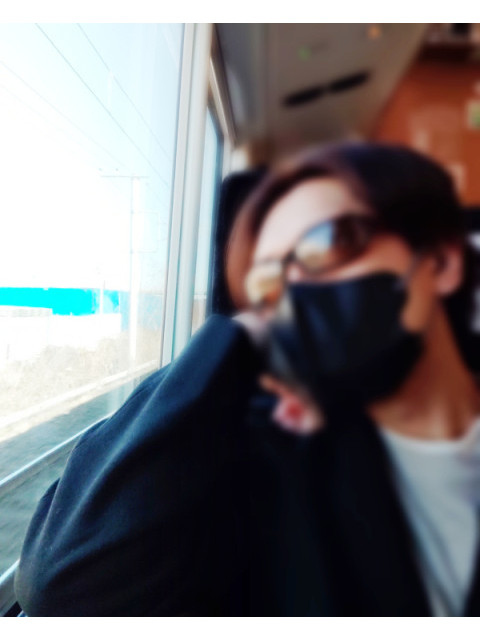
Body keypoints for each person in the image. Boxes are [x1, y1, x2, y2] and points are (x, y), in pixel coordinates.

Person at [14, 142, 480, 616]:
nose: (295, 290)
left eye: (326, 243)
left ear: (440, 260)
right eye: (267, 282)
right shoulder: (267, 459)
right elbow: (64, 587)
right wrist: (239, 334)